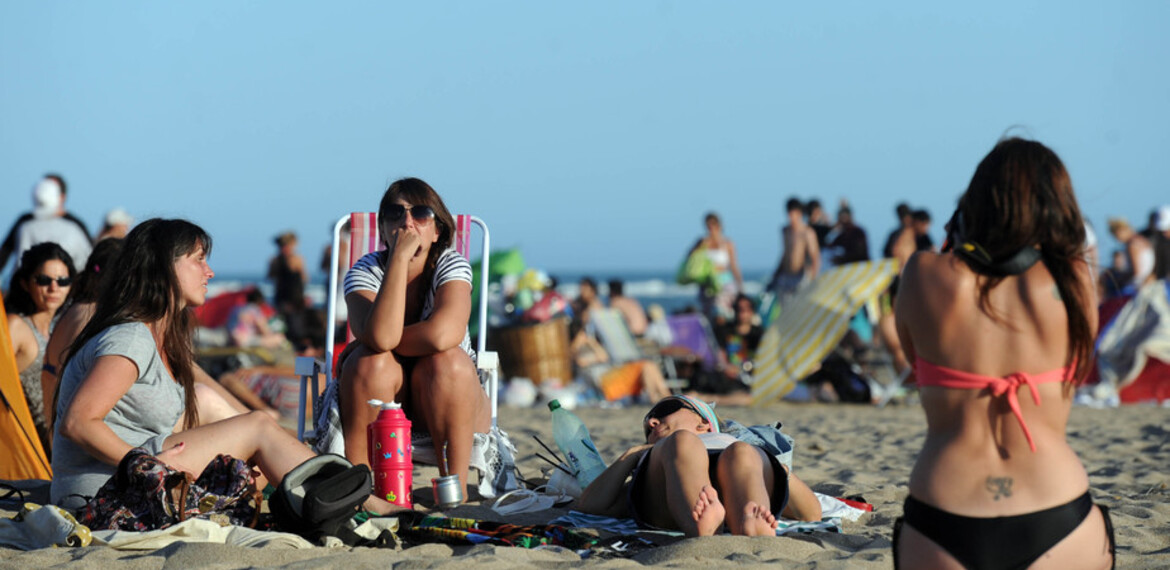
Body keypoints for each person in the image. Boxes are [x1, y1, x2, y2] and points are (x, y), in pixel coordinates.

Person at [50, 219, 399, 514]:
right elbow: (78, 422)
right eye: (199, 260)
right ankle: (362, 504)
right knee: (259, 427)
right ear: (163, 267)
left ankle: (342, 498)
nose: (210, 271)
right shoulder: (130, 339)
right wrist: (151, 467)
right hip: (97, 491)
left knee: (214, 407)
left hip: (129, 472)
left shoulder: (157, 337)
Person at [892, 138, 1113, 569]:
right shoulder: (1074, 283)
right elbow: (1080, 365)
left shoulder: (922, 274)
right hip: (1057, 507)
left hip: (943, 509)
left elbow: (913, 357)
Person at [316, 178, 488, 497]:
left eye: (421, 213)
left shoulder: (451, 264)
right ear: (382, 230)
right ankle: (364, 492)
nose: (407, 222)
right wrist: (397, 259)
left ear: (437, 231)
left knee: (446, 360)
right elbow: (381, 340)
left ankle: (455, 491)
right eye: (395, 214)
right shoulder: (364, 271)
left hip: (449, 398)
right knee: (372, 364)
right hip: (384, 398)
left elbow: (442, 334)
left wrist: (375, 340)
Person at [576, 395, 821, 536]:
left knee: (742, 453)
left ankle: (749, 519)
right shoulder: (659, 455)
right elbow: (591, 506)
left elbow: (810, 514)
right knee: (683, 443)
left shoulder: (731, 441)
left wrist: (780, 470)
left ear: (704, 423)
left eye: (665, 411)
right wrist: (632, 454)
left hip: (733, 460)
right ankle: (701, 520)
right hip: (673, 475)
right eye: (647, 427)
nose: (652, 422)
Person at [5, 243, 75, 453]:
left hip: (59, 446)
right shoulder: (15, 326)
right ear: (25, 283)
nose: (54, 288)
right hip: (25, 449)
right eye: (44, 280)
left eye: (62, 281)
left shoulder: (64, 327)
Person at [0, 174, 93, 275]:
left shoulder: (75, 225)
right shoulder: (25, 222)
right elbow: (5, 252)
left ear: (62, 196)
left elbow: (88, 258)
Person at [689, 212, 744, 324]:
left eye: (714, 225)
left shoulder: (727, 243)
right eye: (708, 226)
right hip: (707, 284)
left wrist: (740, 284)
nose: (712, 229)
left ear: (720, 226)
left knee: (723, 312)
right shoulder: (702, 242)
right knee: (707, 314)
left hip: (724, 282)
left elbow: (733, 265)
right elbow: (690, 259)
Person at [769, 198, 821, 298]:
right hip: (786, 276)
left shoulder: (807, 232)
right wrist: (776, 274)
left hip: (801, 276)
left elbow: (815, 257)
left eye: (792, 214)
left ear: (799, 214)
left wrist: (812, 279)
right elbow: (785, 254)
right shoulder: (785, 231)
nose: (790, 217)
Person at [268, 231, 310, 349]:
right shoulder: (278, 260)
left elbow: (303, 279)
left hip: (293, 298)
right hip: (285, 298)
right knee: (285, 327)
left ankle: (297, 348)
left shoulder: (294, 259)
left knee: (295, 328)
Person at [1107, 217, 1154, 291]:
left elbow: (1136, 272)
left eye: (1116, 235)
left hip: (1138, 285)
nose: (1117, 239)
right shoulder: (1141, 240)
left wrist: (1121, 280)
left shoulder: (1132, 245)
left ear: (1122, 231)